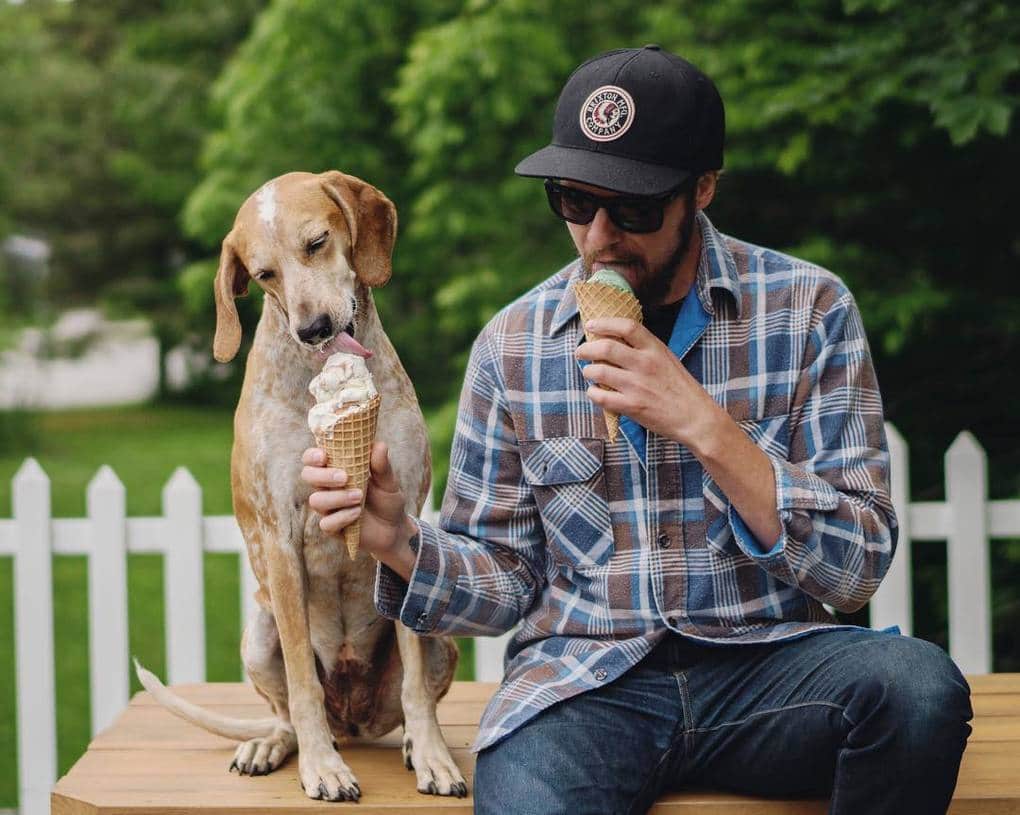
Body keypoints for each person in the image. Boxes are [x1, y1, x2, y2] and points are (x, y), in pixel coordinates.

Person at [300, 46, 972, 814]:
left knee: (919, 689)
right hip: (584, 686)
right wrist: (398, 539)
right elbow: (504, 581)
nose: (598, 237)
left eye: (636, 209)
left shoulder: (809, 309)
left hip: (767, 670)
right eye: (573, 202)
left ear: (703, 190)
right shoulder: (513, 344)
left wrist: (705, 425)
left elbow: (854, 571)